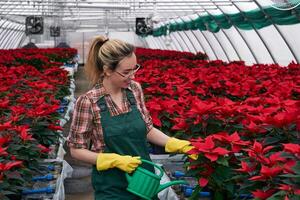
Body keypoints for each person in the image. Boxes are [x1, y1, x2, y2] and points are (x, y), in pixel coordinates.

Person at [67, 36, 195, 200]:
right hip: (112, 187)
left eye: (135, 69)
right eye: (126, 72)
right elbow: (76, 149)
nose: (133, 76)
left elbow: (147, 128)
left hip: (145, 180)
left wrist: (172, 143)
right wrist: (110, 160)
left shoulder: (134, 90)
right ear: (107, 70)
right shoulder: (88, 102)